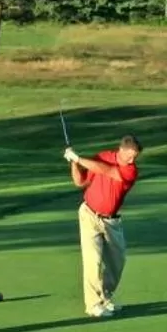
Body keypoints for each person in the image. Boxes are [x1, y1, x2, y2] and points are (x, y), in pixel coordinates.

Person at [67, 134, 143, 317]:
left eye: (135, 157)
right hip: (89, 215)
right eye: (130, 156)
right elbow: (80, 182)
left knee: (117, 262)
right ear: (121, 150)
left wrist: (79, 158)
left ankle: (105, 298)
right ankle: (93, 305)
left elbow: (107, 171)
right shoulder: (102, 156)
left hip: (112, 221)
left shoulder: (130, 171)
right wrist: (74, 162)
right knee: (93, 260)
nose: (132, 161)